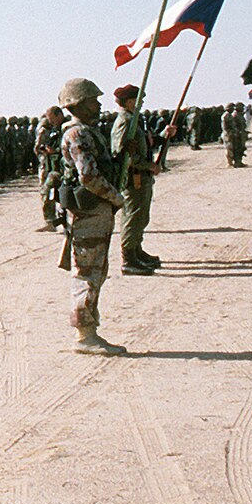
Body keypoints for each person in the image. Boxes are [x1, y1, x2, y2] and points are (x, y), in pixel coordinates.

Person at [56, 79, 127, 355]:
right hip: (89, 210)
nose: (98, 105)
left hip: (96, 210)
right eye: (92, 101)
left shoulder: (89, 131)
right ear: (76, 104)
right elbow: (88, 176)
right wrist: (115, 197)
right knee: (87, 272)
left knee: (96, 270)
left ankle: (89, 331)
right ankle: (85, 336)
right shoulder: (77, 134)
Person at [109, 85, 160, 276]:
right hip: (133, 177)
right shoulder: (125, 121)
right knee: (133, 216)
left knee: (141, 216)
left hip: (141, 176)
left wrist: (163, 136)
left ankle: (137, 251)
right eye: (138, 99)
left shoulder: (134, 120)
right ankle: (128, 259)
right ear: (129, 101)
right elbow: (123, 155)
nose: (141, 103)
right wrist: (149, 166)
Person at [35, 107, 67, 232]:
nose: (50, 121)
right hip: (55, 167)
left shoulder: (67, 128)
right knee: (48, 193)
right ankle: (51, 221)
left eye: (51, 118)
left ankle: (58, 221)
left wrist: (55, 151)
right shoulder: (55, 130)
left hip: (64, 168)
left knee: (55, 194)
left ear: (59, 115)